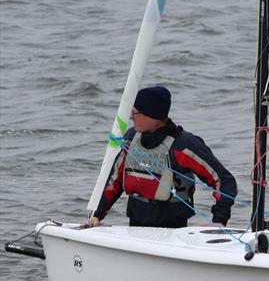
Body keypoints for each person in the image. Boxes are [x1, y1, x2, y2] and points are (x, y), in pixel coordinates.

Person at [88, 86, 237, 228]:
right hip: (135, 227)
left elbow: (224, 181)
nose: (131, 117)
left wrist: (219, 221)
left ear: (152, 115)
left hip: (174, 231)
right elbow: (115, 181)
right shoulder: (130, 138)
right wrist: (97, 215)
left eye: (135, 112)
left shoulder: (184, 145)